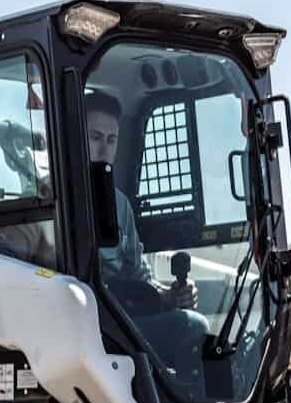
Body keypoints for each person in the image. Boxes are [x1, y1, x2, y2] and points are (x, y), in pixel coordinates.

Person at [85, 90, 209, 387]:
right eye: (95, 137)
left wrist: (170, 294)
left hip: (124, 317)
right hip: (88, 324)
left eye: (112, 140)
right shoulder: (57, 198)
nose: (104, 149)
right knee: (192, 327)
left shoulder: (120, 205)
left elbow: (139, 274)